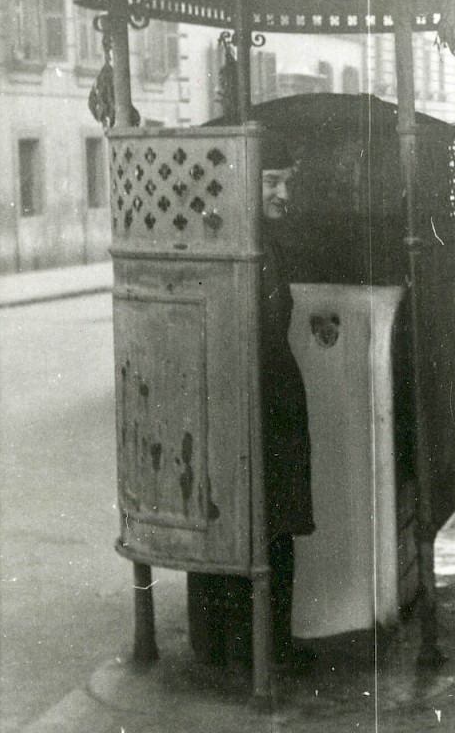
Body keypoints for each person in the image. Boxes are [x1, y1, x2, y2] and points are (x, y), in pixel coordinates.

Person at [187, 132, 314, 671]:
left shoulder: (261, 239)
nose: (284, 193)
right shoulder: (242, 244)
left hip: (261, 396)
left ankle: (246, 645)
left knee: (257, 521)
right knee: (254, 521)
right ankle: (252, 650)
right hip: (251, 397)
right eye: (272, 182)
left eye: (288, 181)